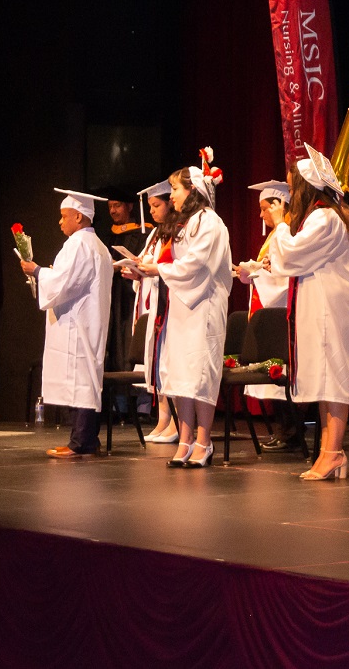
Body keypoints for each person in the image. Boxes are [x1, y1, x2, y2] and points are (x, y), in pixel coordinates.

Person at [266, 144, 349, 481]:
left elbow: (292, 254)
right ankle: (328, 452)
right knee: (323, 379)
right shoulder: (321, 217)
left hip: (329, 311)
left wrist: (279, 224)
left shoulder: (324, 217)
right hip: (320, 307)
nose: (290, 196)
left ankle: (332, 452)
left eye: (292, 188)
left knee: (332, 378)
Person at [137, 150, 231, 469]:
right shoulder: (182, 225)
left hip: (203, 306)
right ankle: (185, 438)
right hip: (181, 304)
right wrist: (147, 267)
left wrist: (159, 271)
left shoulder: (210, 224)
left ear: (192, 191)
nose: (171, 194)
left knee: (200, 374)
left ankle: (204, 440)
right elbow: (171, 262)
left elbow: (195, 264)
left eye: (175, 189)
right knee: (178, 373)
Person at [19, 188, 112, 457]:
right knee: (83, 379)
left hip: (79, 324)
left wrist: (37, 271)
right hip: (86, 320)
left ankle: (81, 442)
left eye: (64, 216)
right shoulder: (97, 246)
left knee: (81, 379)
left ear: (80, 217)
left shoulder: (80, 245)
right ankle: (83, 440)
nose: (60, 222)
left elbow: (64, 282)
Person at [237, 180, 301, 453]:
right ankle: (282, 430)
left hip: (280, 312)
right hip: (268, 311)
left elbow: (283, 277)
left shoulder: (288, 235)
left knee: (281, 373)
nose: (261, 215)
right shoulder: (274, 237)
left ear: (279, 206)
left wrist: (257, 272)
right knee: (273, 372)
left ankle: (291, 433)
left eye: (265, 208)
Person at [127, 180, 179, 443]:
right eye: (150, 207)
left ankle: (173, 422)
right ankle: (163, 419)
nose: (152, 211)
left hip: (169, 302)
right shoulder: (155, 234)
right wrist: (135, 269)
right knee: (158, 363)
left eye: (157, 205)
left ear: (171, 202)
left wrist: (147, 267)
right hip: (154, 301)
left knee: (168, 363)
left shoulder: (176, 231)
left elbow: (168, 265)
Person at [101, 190, 149, 374]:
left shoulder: (143, 234)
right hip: (111, 298)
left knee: (126, 344)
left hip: (129, 298)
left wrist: (121, 267)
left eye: (117, 205)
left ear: (129, 206)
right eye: (110, 206)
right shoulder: (107, 236)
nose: (112, 211)